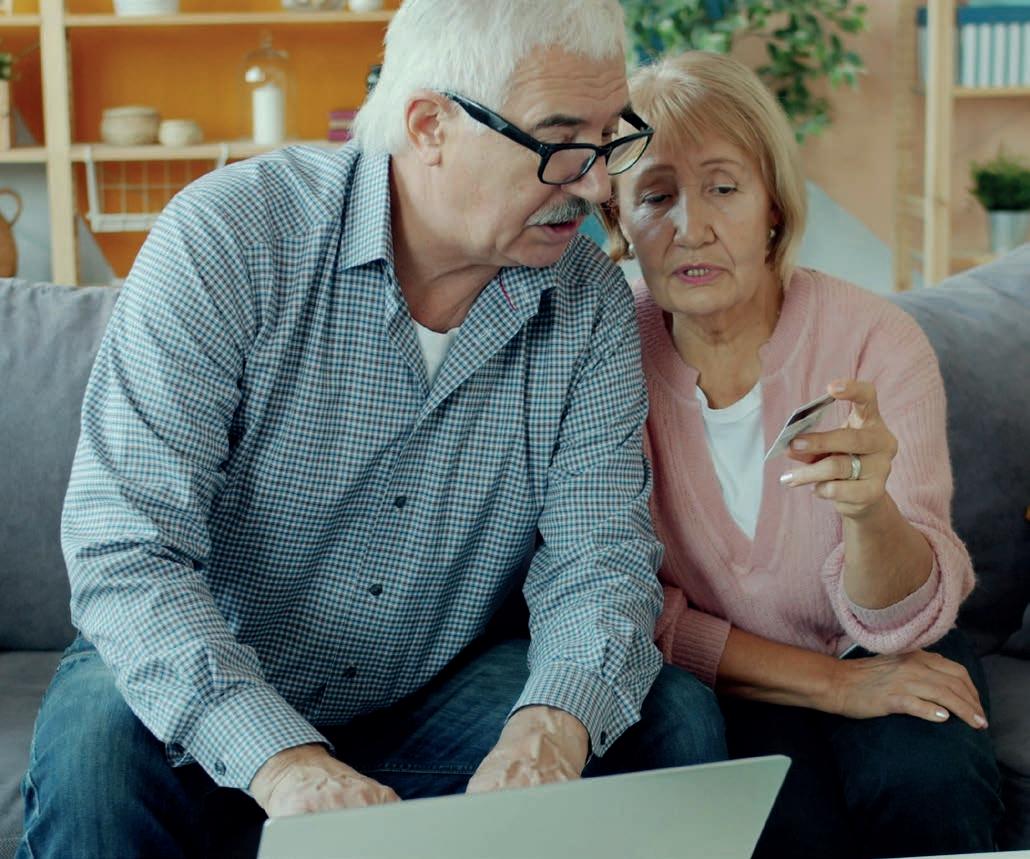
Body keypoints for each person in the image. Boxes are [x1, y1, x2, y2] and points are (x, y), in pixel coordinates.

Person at [17, 5, 730, 858]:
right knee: (97, 744)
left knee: (670, 719)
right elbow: (127, 550)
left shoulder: (590, 306)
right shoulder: (229, 239)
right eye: (559, 141)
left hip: (427, 697)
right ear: (430, 126)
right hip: (214, 683)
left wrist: (549, 730)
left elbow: (599, 559)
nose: (598, 186)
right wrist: (283, 763)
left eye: (609, 138)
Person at [600, 51, 1003, 859]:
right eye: (656, 196)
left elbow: (899, 619)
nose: (692, 227)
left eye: (724, 187)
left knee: (929, 783)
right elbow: (628, 604)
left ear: (775, 207)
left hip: (889, 640)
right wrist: (835, 687)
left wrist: (869, 512)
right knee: (785, 824)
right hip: (736, 672)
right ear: (617, 223)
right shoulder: (606, 354)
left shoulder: (876, 339)